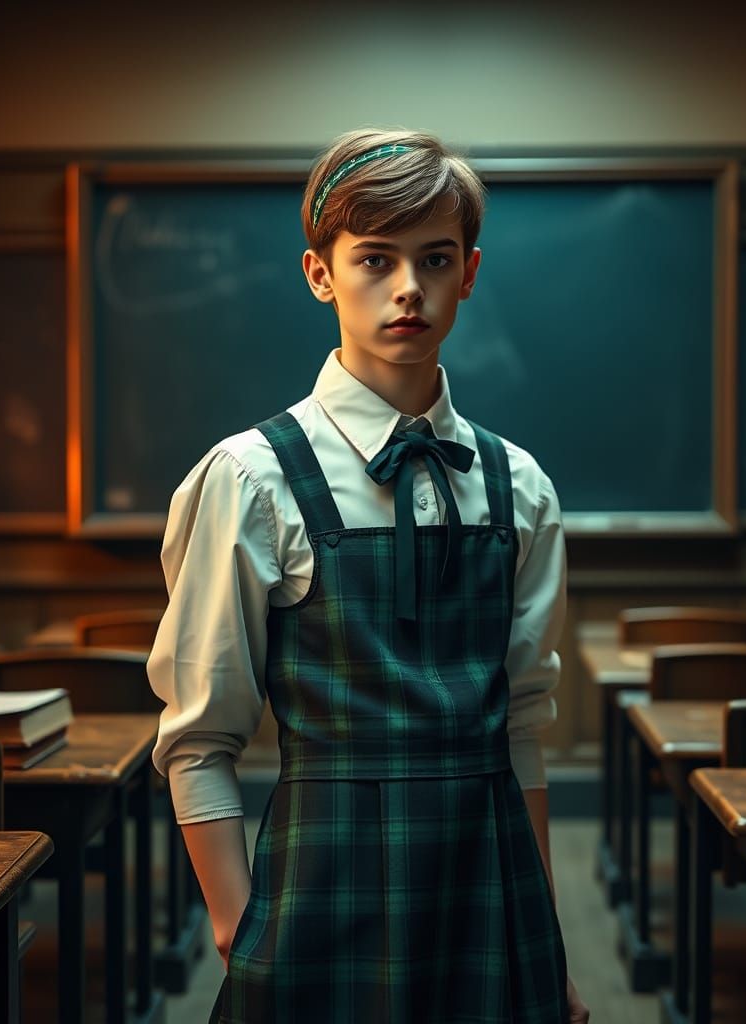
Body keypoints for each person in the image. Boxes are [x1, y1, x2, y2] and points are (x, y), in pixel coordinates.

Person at [147, 127, 590, 1024]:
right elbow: (200, 736)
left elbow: (523, 730)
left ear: (468, 272)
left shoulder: (520, 484)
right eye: (375, 260)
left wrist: (546, 939)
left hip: (489, 878)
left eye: (434, 260)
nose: (408, 290)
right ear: (320, 274)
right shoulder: (251, 476)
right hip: (322, 883)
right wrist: (241, 931)